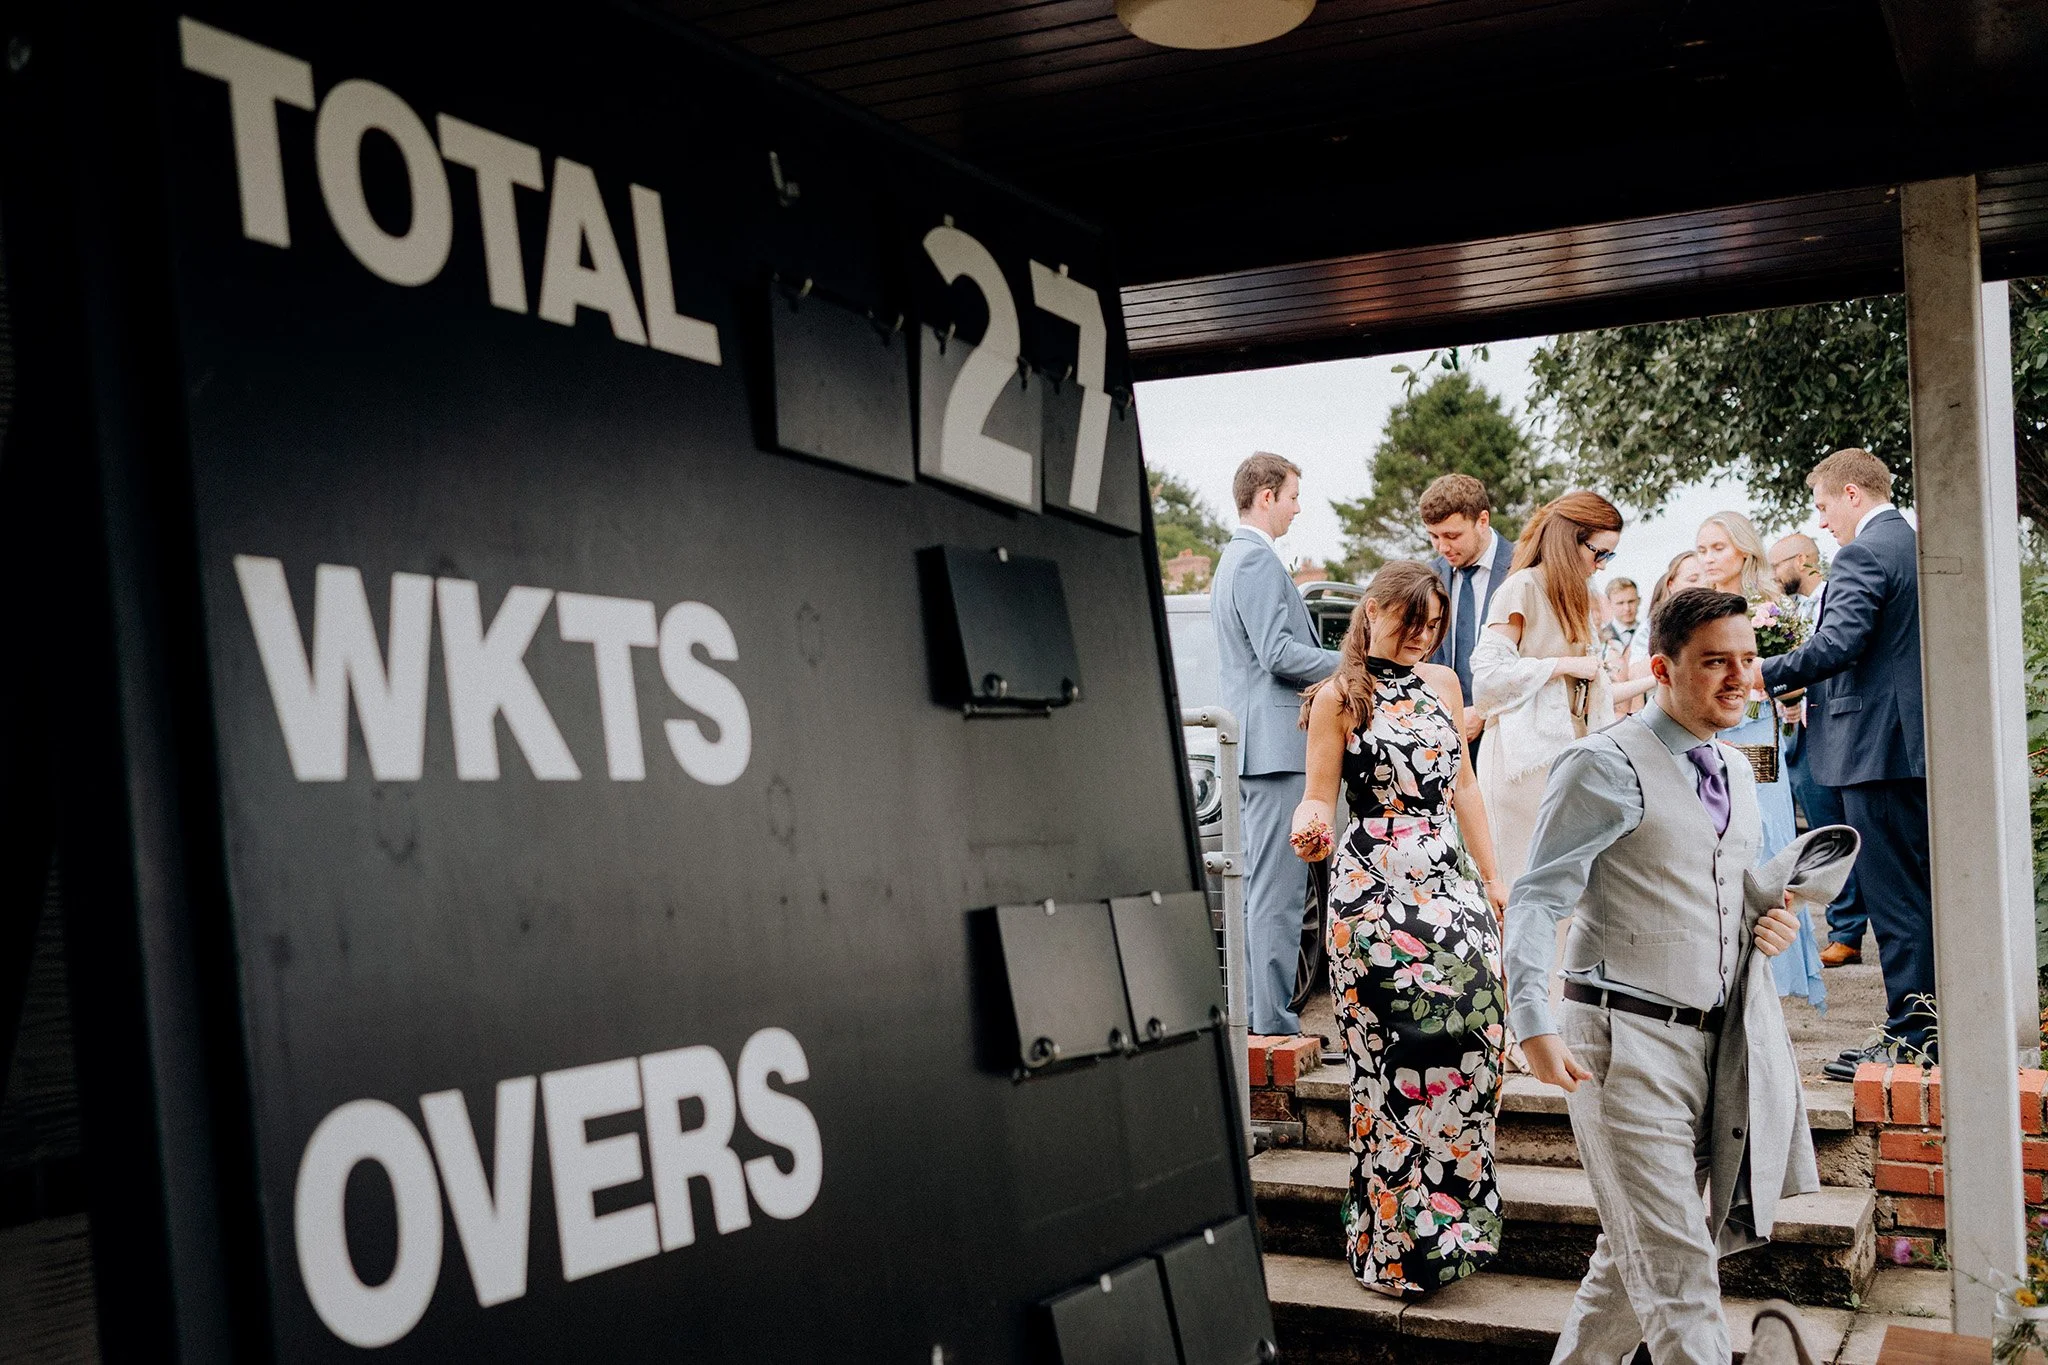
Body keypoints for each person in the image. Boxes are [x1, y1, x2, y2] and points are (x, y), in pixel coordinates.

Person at [1507, 588, 1813, 1365]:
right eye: (1715, 661)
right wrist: (1532, 1022)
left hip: (1717, 1048)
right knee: (1679, 1272)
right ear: (1661, 668)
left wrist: (1768, 924)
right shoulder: (1601, 763)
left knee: (1630, 1261)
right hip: (1621, 1041)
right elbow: (1540, 893)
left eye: (1747, 659)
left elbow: (1724, 897)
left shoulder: (1738, 774)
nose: (1739, 677)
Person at [1289, 561, 1508, 1298]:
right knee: (1389, 1073)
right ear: (1373, 612)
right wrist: (1311, 829)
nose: (1422, 637)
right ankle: (1391, 1249)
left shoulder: (1446, 685)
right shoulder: (1337, 695)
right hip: (1374, 895)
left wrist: (1494, 876)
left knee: (1477, 1044)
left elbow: (1466, 785)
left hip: (1450, 880)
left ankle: (1456, 1234)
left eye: (1433, 626)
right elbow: (1318, 798)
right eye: (1409, 623)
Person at [1759, 450, 1932, 1074]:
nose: (1823, 520)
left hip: (1876, 753)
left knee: (1895, 898)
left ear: (1852, 493)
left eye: (1824, 505)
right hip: (1905, 747)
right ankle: (1923, 1025)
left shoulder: (1864, 552)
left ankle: (1913, 1034)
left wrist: (1761, 671)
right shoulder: (1910, 543)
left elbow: (1840, 643)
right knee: (1914, 891)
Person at [1212, 452, 1343, 1036]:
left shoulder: (1236, 560)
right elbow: (1279, 654)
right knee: (1277, 895)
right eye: (1292, 495)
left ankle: (1258, 1014)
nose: (1297, 506)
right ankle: (1270, 1021)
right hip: (1274, 749)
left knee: (1261, 891)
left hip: (1259, 749)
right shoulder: (1256, 562)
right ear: (1266, 496)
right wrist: (1356, 664)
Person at [1470, 492, 1654, 890]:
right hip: (1522, 767)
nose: (1602, 565)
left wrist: (1661, 676)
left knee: (1569, 897)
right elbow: (1486, 679)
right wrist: (1564, 666)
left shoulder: (1581, 598)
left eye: (1610, 556)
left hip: (1572, 763)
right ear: (1570, 539)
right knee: (1526, 888)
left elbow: (1596, 695)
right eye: (1599, 552)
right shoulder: (1521, 587)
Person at [1696, 511, 1825, 1013]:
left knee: (1765, 840)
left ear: (1744, 552)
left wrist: (1762, 678)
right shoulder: (1695, 605)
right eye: (1702, 549)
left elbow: (1793, 678)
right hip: (1711, 730)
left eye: (1718, 549)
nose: (1708, 558)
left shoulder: (1770, 607)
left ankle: (1772, 964)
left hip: (1757, 737)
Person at [1770, 532, 1868, 967]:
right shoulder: (1784, 612)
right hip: (1798, 730)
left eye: (1779, 565)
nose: (1774, 575)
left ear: (1803, 558)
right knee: (1821, 826)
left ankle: (1848, 932)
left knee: (1838, 827)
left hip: (1836, 728)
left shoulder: (1836, 596)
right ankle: (1844, 927)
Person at [1422, 474, 1516, 766]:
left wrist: (1486, 711)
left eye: (1452, 536)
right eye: (1434, 536)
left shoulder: (1523, 569)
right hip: (1443, 736)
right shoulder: (1430, 575)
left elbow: (1535, 657)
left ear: (1483, 520)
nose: (1442, 547)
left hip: (1507, 739)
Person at [1602, 578, 1641, 652]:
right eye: (1620, 603)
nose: (1627, 608)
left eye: (1631, 601)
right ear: (1609, 604)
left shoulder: (1649, 633)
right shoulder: (1600, 637)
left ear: (1639, 601)